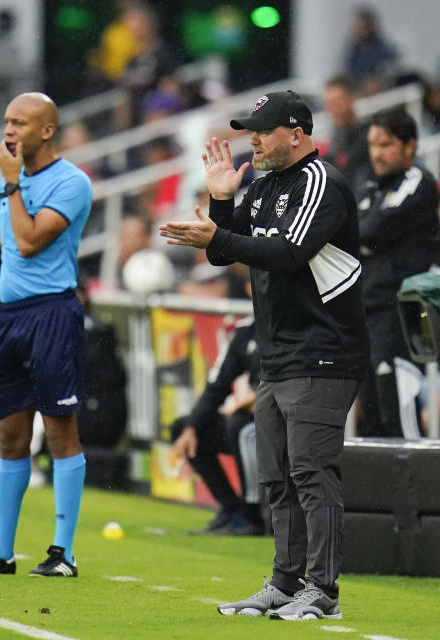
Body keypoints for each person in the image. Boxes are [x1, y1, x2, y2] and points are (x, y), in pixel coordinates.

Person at [159, 90, 368, 621]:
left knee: (311, 471)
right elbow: (223, 248)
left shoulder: (322, 183)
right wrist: (224, 200)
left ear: (296, 134)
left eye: (262, 129)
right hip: (278, 352)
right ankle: (283, 582)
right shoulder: (265, 184)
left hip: (323, 350)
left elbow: (289, 253)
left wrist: (220, 233)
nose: (251, 138)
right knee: (275, 475)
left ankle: (322, 591)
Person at [0, 92, 92, 578]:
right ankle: (1, 552)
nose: (9, 131)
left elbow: (31, 242)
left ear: (47, 131)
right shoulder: (12, 182)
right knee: (9, 437)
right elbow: (14, 250)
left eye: (21, 123)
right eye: (7, 121)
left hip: (52, 315)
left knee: (58, 432)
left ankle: (62, 553)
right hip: (9, 316)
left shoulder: (71, 183)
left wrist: (11, 187)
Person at [357, 106, 440, 439]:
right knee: (372, 413)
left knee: (398, 408)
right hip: (367, 309)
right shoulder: (368, 187)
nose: (377, 154)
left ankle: (415, 487)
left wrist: (363, 238)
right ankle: (385, 492)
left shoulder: (419, 181)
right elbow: (353, 233)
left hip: (399, 311)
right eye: (373, 145)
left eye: (386, 145)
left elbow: (373, 229)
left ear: (410, 147)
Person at [171, 315, 263, 536]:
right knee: (185, 428)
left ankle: (253, 517)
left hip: (283, 420)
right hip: (251, 415)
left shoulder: (294, 322)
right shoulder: (246, 331)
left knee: (241, 428)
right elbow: (217, 384)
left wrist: (255, 400)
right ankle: (232, 510)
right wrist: (192, 427)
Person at [323, 73, 372, 196]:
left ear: (352, 98)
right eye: (329, 103)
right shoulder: (335, 140)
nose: (333, 108)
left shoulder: (369, 134)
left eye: (338, 101)